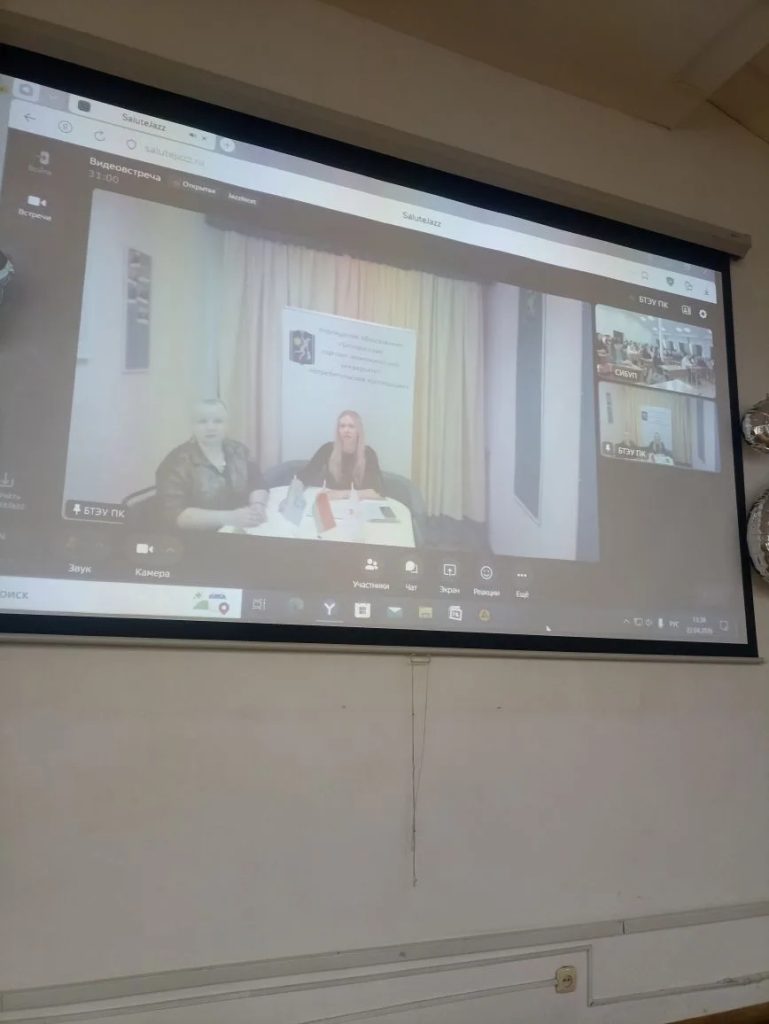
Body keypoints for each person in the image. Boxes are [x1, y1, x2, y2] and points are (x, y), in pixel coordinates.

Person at [156, 398, 268, 529]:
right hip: (199, 535)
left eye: (218, 421)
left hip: (240, 527)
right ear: (192, 426)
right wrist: (229, 518)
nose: (210, 427)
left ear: (227, 425)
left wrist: (257, 506)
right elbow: (174, 514)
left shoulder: (239, 450)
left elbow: (257, 482)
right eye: (202, 421)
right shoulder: (175, 462)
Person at [298, 410, 384, 500]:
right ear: (338, 430)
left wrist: (341, 494)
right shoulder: (327, 449)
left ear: (358, 431)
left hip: (358, 504)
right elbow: (306, 475)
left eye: (351, 426)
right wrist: (296, 488)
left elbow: (377, 492)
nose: (346, 430)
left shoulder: (368, 453)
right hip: (333, 502)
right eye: (342, 426)